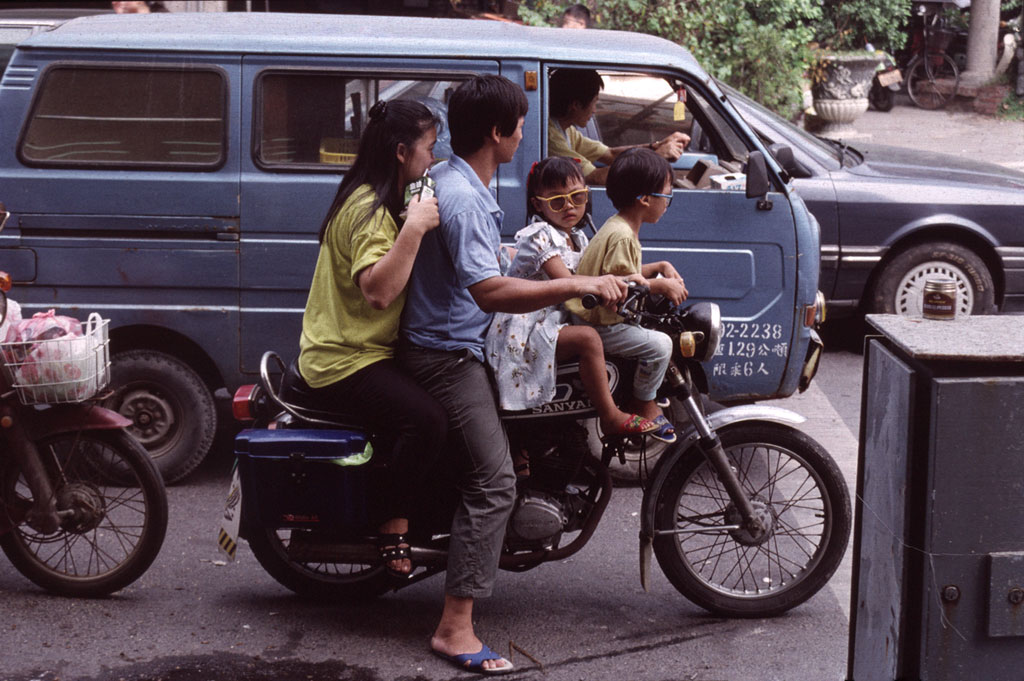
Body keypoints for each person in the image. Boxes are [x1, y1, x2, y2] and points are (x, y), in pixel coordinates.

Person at [401, 75, 626, 675]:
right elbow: (490, 290)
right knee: (495, 482)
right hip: (446, 354)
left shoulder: (454, 179)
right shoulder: (466, 194)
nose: (525, 131)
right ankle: (454, 628)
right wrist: (577, 283)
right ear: (498, 132)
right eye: (520, 123)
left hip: (455, 339)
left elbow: (484, 265)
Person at [290, 99, 447, 578]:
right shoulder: (369, 210)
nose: (434, 159)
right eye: (429, 148)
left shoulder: (375, 198)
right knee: (428, 422)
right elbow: (378, 292)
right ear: (402, 152)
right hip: (344, 359)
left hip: (365, 351)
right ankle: (392, 526)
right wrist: (416, 227)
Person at [484, 156, 659, 452]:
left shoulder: (576, 237)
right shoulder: (539, 237)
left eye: (577, 197)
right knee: (589, 339)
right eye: (556, 201)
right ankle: (610, 416)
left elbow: (599, 277)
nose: (569, 206)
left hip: (555, 317)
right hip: (526, 323)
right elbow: (570, 284)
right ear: (538, 205)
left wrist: (651, 273)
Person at [566, 148, 689, 442]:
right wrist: (661, 286)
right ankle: (643, 402)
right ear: (645, 199)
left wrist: (659, 267)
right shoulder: (623, 236)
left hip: (589, 317)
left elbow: (623, 272)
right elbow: (621, 289)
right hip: (596, 323)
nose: (667, 205)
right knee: (660, 345)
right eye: (667, 197)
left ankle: (643, 392)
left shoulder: (619, 226)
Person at [547, 68, 690, 184]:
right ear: (576, 105)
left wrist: (656, 147)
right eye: (594, 102)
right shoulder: (550, 137)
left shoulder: (566, 129)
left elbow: (610, 154)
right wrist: (655, 157)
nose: (595, 110)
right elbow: (595, 177)